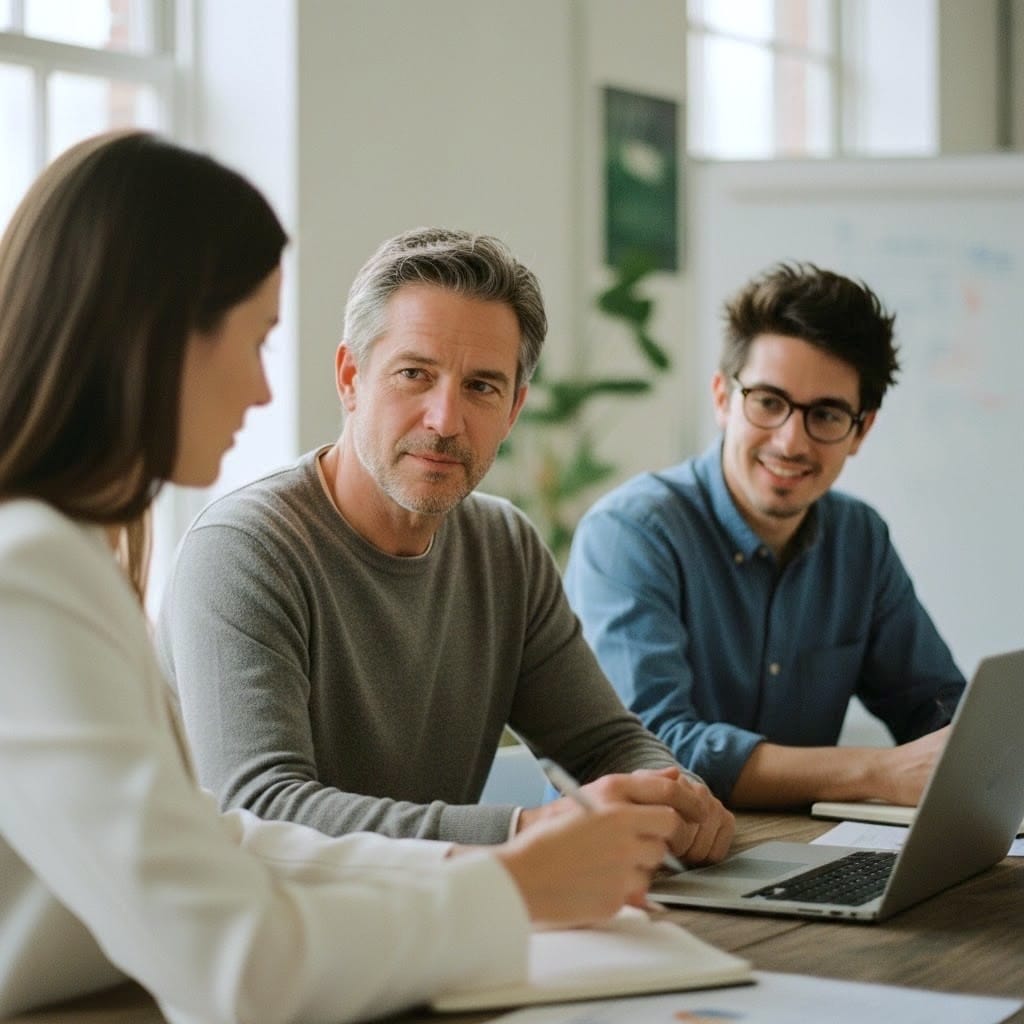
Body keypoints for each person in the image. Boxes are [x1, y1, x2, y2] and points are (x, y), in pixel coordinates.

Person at [0, 131, 689, 1023]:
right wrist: (510, 886)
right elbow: (242, 969)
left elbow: (219, 838)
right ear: (156, 342)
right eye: (254, 340)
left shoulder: (67, 553)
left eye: (482, 387)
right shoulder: (31, 573)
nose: (258, 391)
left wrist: (500, 862)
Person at [155, 226, 734, 863]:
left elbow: (604, 744)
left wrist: (672, 795)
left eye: (481, 387)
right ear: (351, 377)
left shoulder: (504, 545)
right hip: (262, 938)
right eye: (414, 375)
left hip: (439, 920)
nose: (445, 420)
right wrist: (522, 832)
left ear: (514, 410)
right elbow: (262, 807)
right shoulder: (243, 550)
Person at [564, 262, 966, 809]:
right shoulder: (631, 533)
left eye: (825, 414)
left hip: (797, 853)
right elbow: (650, 750)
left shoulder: (859, 539)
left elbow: (936, 705)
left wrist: (977, 748)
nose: (790, 441)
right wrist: (876, 772)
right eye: (769, 402)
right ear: (724, 398)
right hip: (641, 867)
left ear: (861, 430)